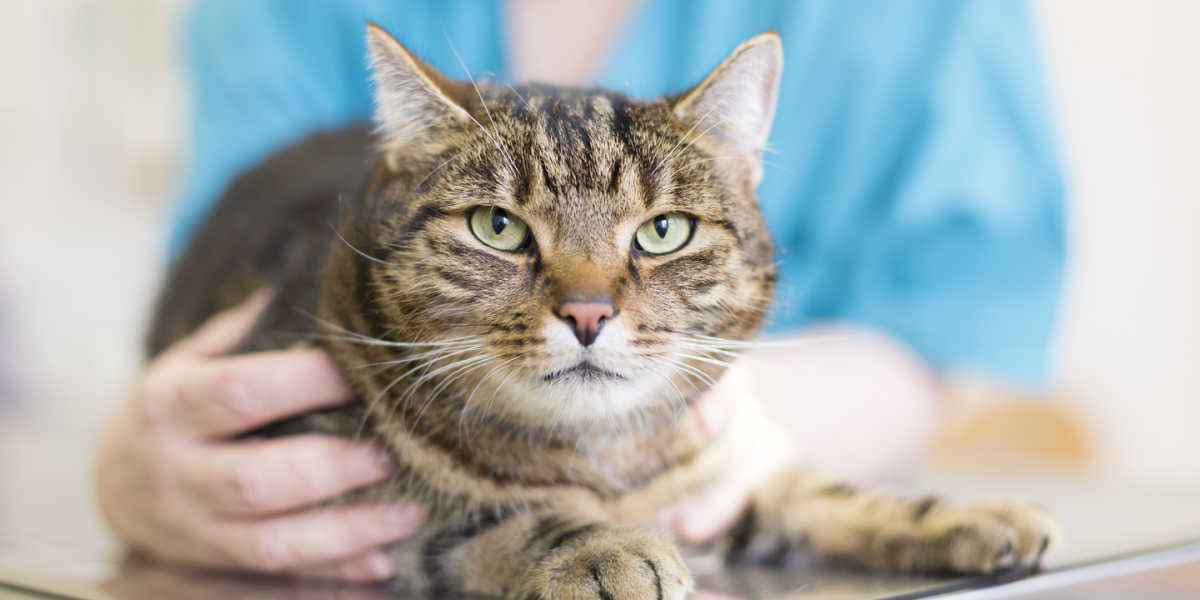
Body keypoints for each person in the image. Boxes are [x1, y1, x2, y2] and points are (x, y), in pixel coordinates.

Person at [96, 0, 1065, 582]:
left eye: (663, 233)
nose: (587, 302)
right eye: (505, 231)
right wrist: (132, 473)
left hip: (713, 419)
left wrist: (741, 455)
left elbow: (948, 309)